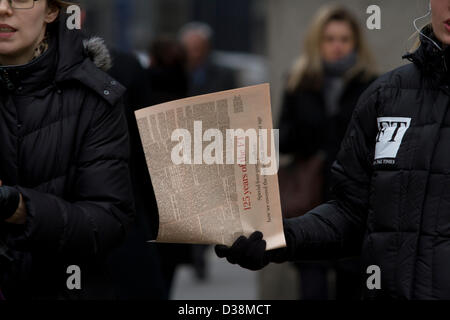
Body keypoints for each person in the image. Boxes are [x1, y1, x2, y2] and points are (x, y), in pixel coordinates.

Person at [216, 0, 450, 300]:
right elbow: (353, 211)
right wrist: (276, 237)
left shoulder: (364, 83)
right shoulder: (385, 95)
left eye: (343, 39)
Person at [0, 0, 134, 299]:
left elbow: (108, 220)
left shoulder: (94, 99)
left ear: (51, 11)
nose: (2, 8)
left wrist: (18, 207)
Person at [277, 5, 377, 299]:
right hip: (309, 199)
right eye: (330, 38)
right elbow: (283, 138)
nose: (337, 46)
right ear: (317, 41)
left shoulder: (371, 84)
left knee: (350, 284)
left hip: (355, 199)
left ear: (355, 42)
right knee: (312, 286)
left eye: (344, 39)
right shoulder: (299, 82)